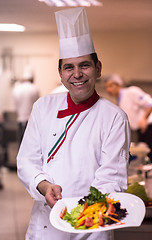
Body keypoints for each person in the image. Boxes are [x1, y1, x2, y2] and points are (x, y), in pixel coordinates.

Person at [17, 7, 130, 240]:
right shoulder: (43, 107)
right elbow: (26, 161)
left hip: (92, 223)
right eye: (69, 67)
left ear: (98, 69)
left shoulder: (115, 117)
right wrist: (45, 186)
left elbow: (111, 178)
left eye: (84, 65)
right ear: (60, 73)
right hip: (46, 222)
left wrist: (79, 215)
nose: (77, 74)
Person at [104, 74, 152, 161]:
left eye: (110, 86)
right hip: (140, 131)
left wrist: (144, 119)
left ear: (118, 84)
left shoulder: (131, 91)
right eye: (106, 87)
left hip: (149, 127)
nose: (108, 90)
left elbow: (149, 103)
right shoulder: (119, 103)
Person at [12, 66, 39, 143]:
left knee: (21, 143)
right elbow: (37, 106)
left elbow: (15, 106)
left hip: (20, 119)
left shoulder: (17, 88)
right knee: (30, 143)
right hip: (31, 121)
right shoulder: (34, 88)